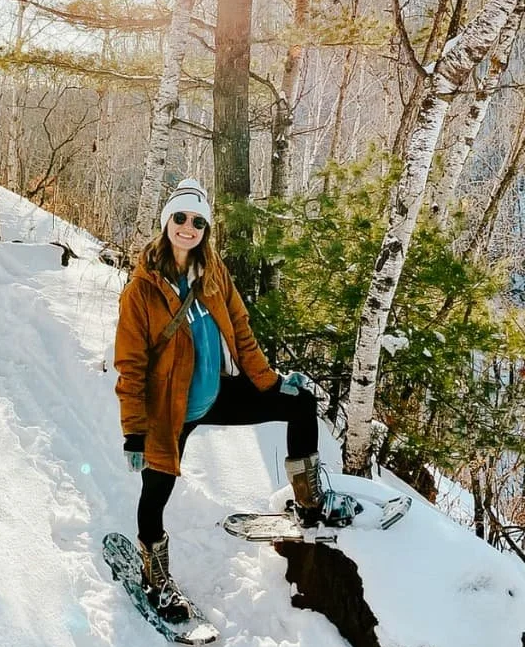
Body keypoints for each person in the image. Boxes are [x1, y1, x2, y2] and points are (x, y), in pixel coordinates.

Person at [113, 178, 357, 622]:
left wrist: (270, 381)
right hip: (171, 410)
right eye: (181, 218)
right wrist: (134, 432)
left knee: (299, 403)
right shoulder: (142, 290)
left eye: (198, 221)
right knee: (156, 493)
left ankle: (309, 503)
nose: (188, 227)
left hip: (217, 394)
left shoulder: (213, 272)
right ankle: (155, 576)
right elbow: (130, 365)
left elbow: (240, 331)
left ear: (207, 229)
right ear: (167, 221)